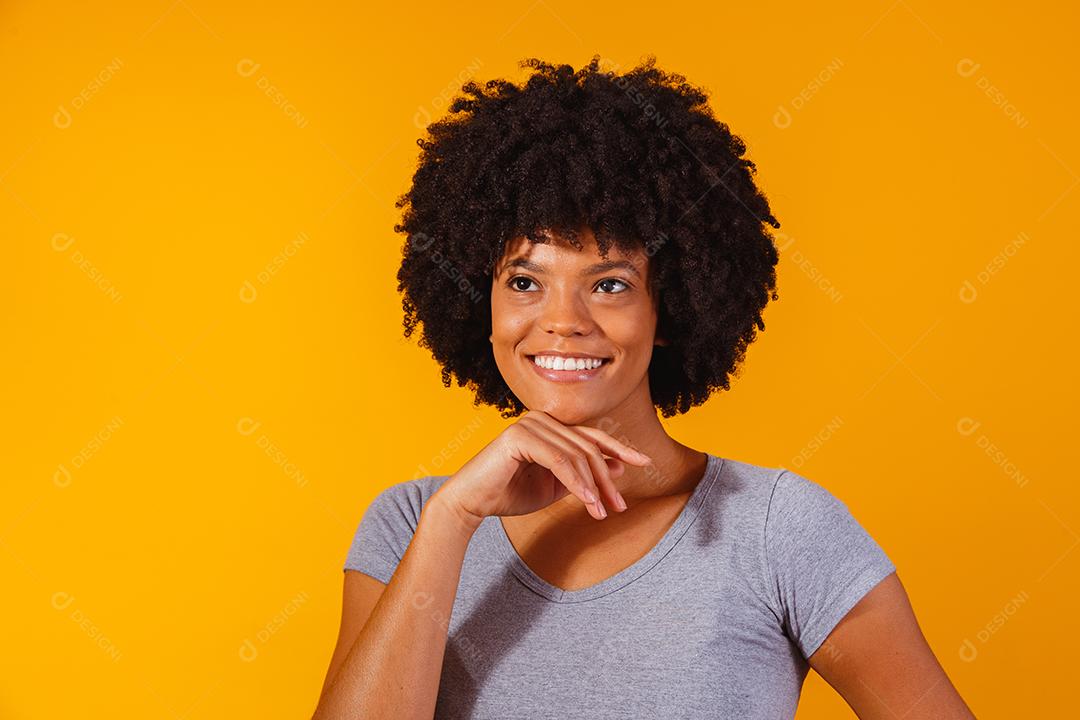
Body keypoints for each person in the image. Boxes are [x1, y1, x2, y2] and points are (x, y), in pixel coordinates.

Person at [311, 55, 976, 719]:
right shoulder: (410, 526)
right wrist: (453, 521)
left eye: (610, 285)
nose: (563, 322)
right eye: (524, 282)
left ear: (670, 311)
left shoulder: (777, 529)